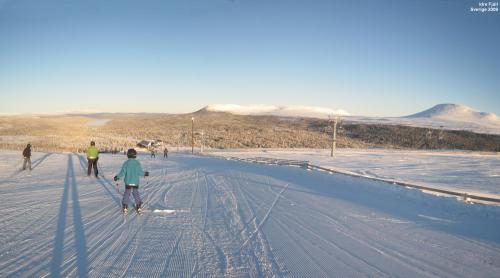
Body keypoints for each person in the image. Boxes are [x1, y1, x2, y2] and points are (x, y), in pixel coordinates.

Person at [114, 148, 149, 214]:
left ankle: (125, 206)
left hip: (128, 182)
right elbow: (140, 172)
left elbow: (122, 173)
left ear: (128, 155)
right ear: (135, 155)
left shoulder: (126, 163)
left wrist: (117, 177)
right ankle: (138, 205)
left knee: (127, 193)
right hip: (135, 182)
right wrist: (145, 173)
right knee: (136, 193)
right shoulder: (137, 163)